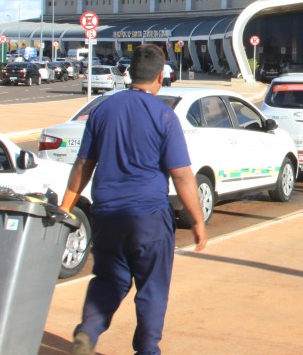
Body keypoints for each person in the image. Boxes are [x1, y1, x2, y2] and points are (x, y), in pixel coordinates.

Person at [61, 43, 207, 355]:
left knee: (109, 278)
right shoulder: (164, 116)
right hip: (149, 217)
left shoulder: (102, 110)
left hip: (107, 213)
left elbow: (83, 165)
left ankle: (88, 330)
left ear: (128, 74)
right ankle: (147, 349)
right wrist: (197, 220)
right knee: (152, 286)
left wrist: (65, 207)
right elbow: (181, 174)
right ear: (160, 77)